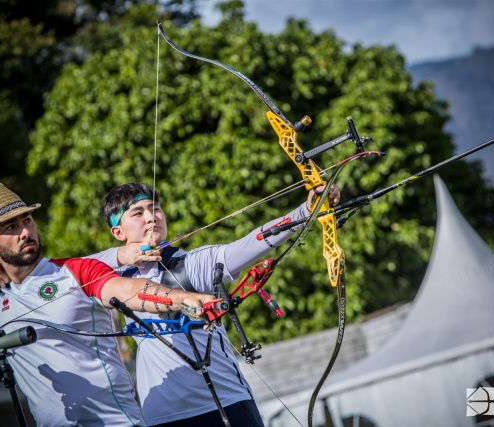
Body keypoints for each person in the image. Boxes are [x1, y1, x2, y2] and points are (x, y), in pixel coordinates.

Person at [0, 183, 216, 427]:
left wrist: (184, 299)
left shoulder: (75, 270)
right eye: (11, 227)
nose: (25, 231)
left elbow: (128, 291)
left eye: (27, 220)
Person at [88, 181, 340, 426]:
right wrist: (120, 256)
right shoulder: (112, 279)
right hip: (162, 415)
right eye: (138, 213)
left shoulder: (192, 264)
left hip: (225, 404)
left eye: (155, 208)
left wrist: (305, 210)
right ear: (118, 232)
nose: (151, 217)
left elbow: (250, 244)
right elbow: (66, 273)